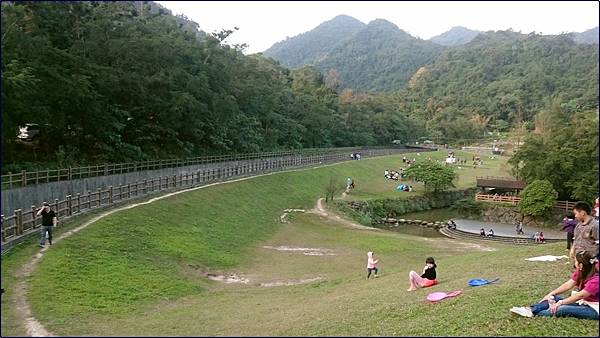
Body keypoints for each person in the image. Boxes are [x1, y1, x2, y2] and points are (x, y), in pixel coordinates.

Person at [510, 251, 598, 320]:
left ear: (581, 265)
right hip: (584, 302)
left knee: (561, 309)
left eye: (575, 261)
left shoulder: (596, 279)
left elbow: (581, 295)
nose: (574, 263)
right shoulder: (581, 271)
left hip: (594, 308)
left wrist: (560, 303)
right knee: (553, 298)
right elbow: (568, 284)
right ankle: (530, 310)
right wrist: (551, 293)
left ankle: (534, 313)